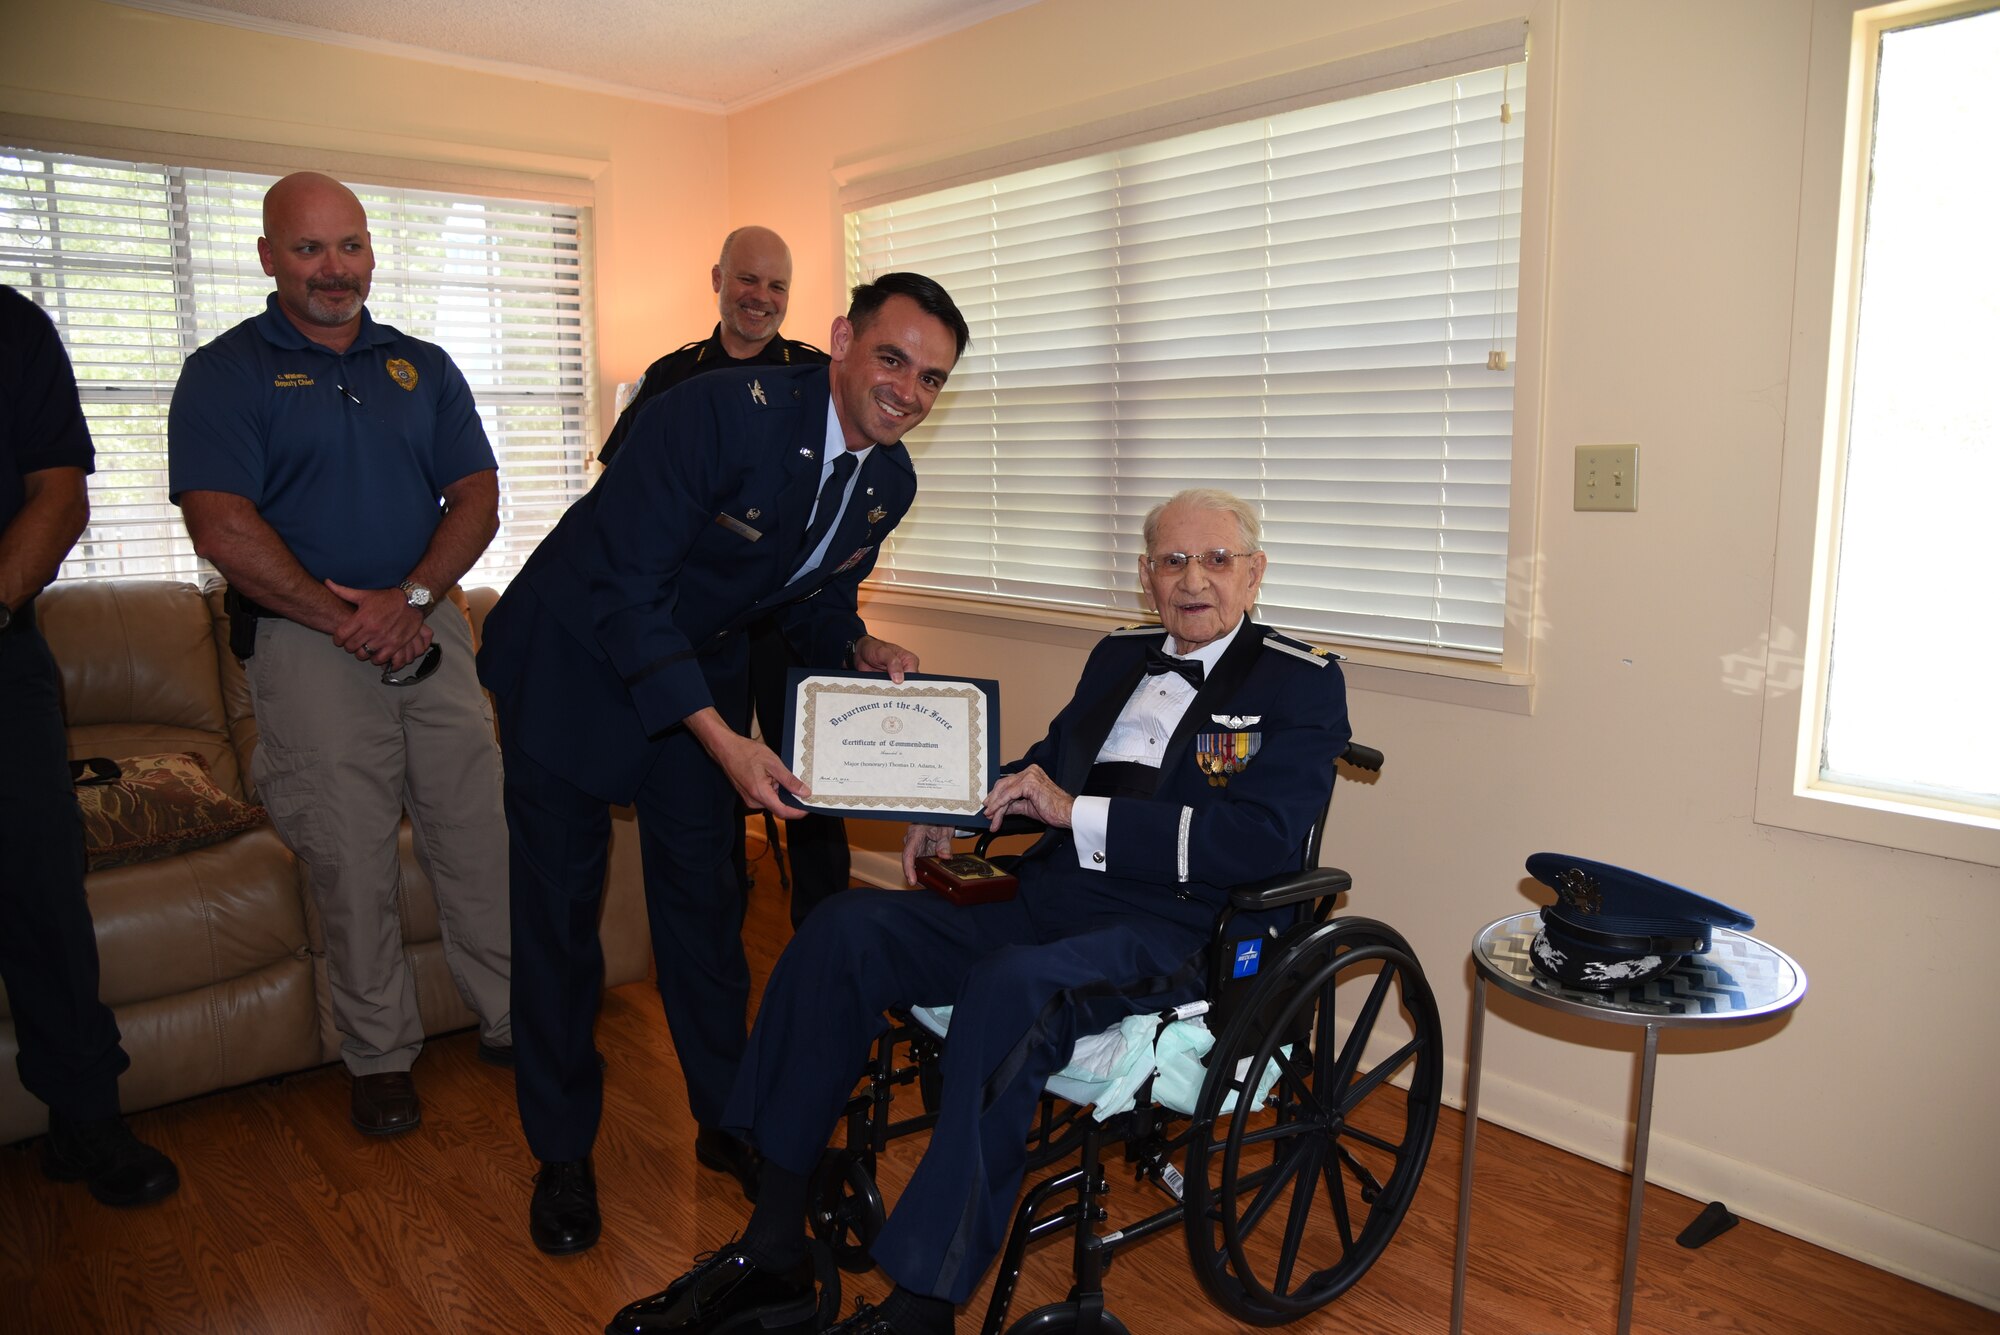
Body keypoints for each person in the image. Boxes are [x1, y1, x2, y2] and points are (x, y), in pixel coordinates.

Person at [604, 489, 1352, 1335]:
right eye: (1173, 561)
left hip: (1177, 927)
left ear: (1253, 573)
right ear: (1147, 577)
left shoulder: (1300, 681)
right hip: (1050, 892)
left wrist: (1074, 813)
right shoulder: (1118, 658)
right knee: (845, 930)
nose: (1194, 580)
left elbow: (1258, 842)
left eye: (1217, 559)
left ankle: (924, 1305)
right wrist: (952, 802)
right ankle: (772, 1246)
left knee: (1010, 986)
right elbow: (1043, 769)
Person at [477, 272, 969, 1257]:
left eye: (930, 378)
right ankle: (563, 1150)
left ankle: (726, 1121)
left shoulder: (889, 478)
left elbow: (804, 594)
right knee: (561, 921)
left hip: (695, 661)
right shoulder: (708, 416)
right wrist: (722, 738)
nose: (906, 390)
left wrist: (857, 644)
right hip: (573, 660)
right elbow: (625, 591)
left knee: (703, 909)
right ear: (840, 339)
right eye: (891, 358)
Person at [167, 171, 512, 1140]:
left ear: (370, 252)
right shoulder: (225, 372)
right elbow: (220, 525)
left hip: (428, 623)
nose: (334, 269)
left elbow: (477, 497)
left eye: (349, 246)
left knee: (477, 831)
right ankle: (380, 1056)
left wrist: (409, 600)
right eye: (309, 249)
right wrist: (340, 616)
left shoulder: (423, 366)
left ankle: (516, 1017)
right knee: (351, 851)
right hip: (304, 641)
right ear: (270, 257)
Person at [603, 226, 853, 929]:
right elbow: (619, 495)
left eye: (778, 287)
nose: (761, 298)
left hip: (786, 619)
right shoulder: (669, 378)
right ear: (717, 277)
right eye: (748, 280)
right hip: (694, 623)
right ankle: (712, 924)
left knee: (811, 789)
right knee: (702, 788)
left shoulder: (817, 379)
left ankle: (826, 934)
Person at [0, 285, 180, 1208]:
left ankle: (84, 1119)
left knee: (42, 895)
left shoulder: (12, 327)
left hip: (3, 655)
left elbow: (56, 492)